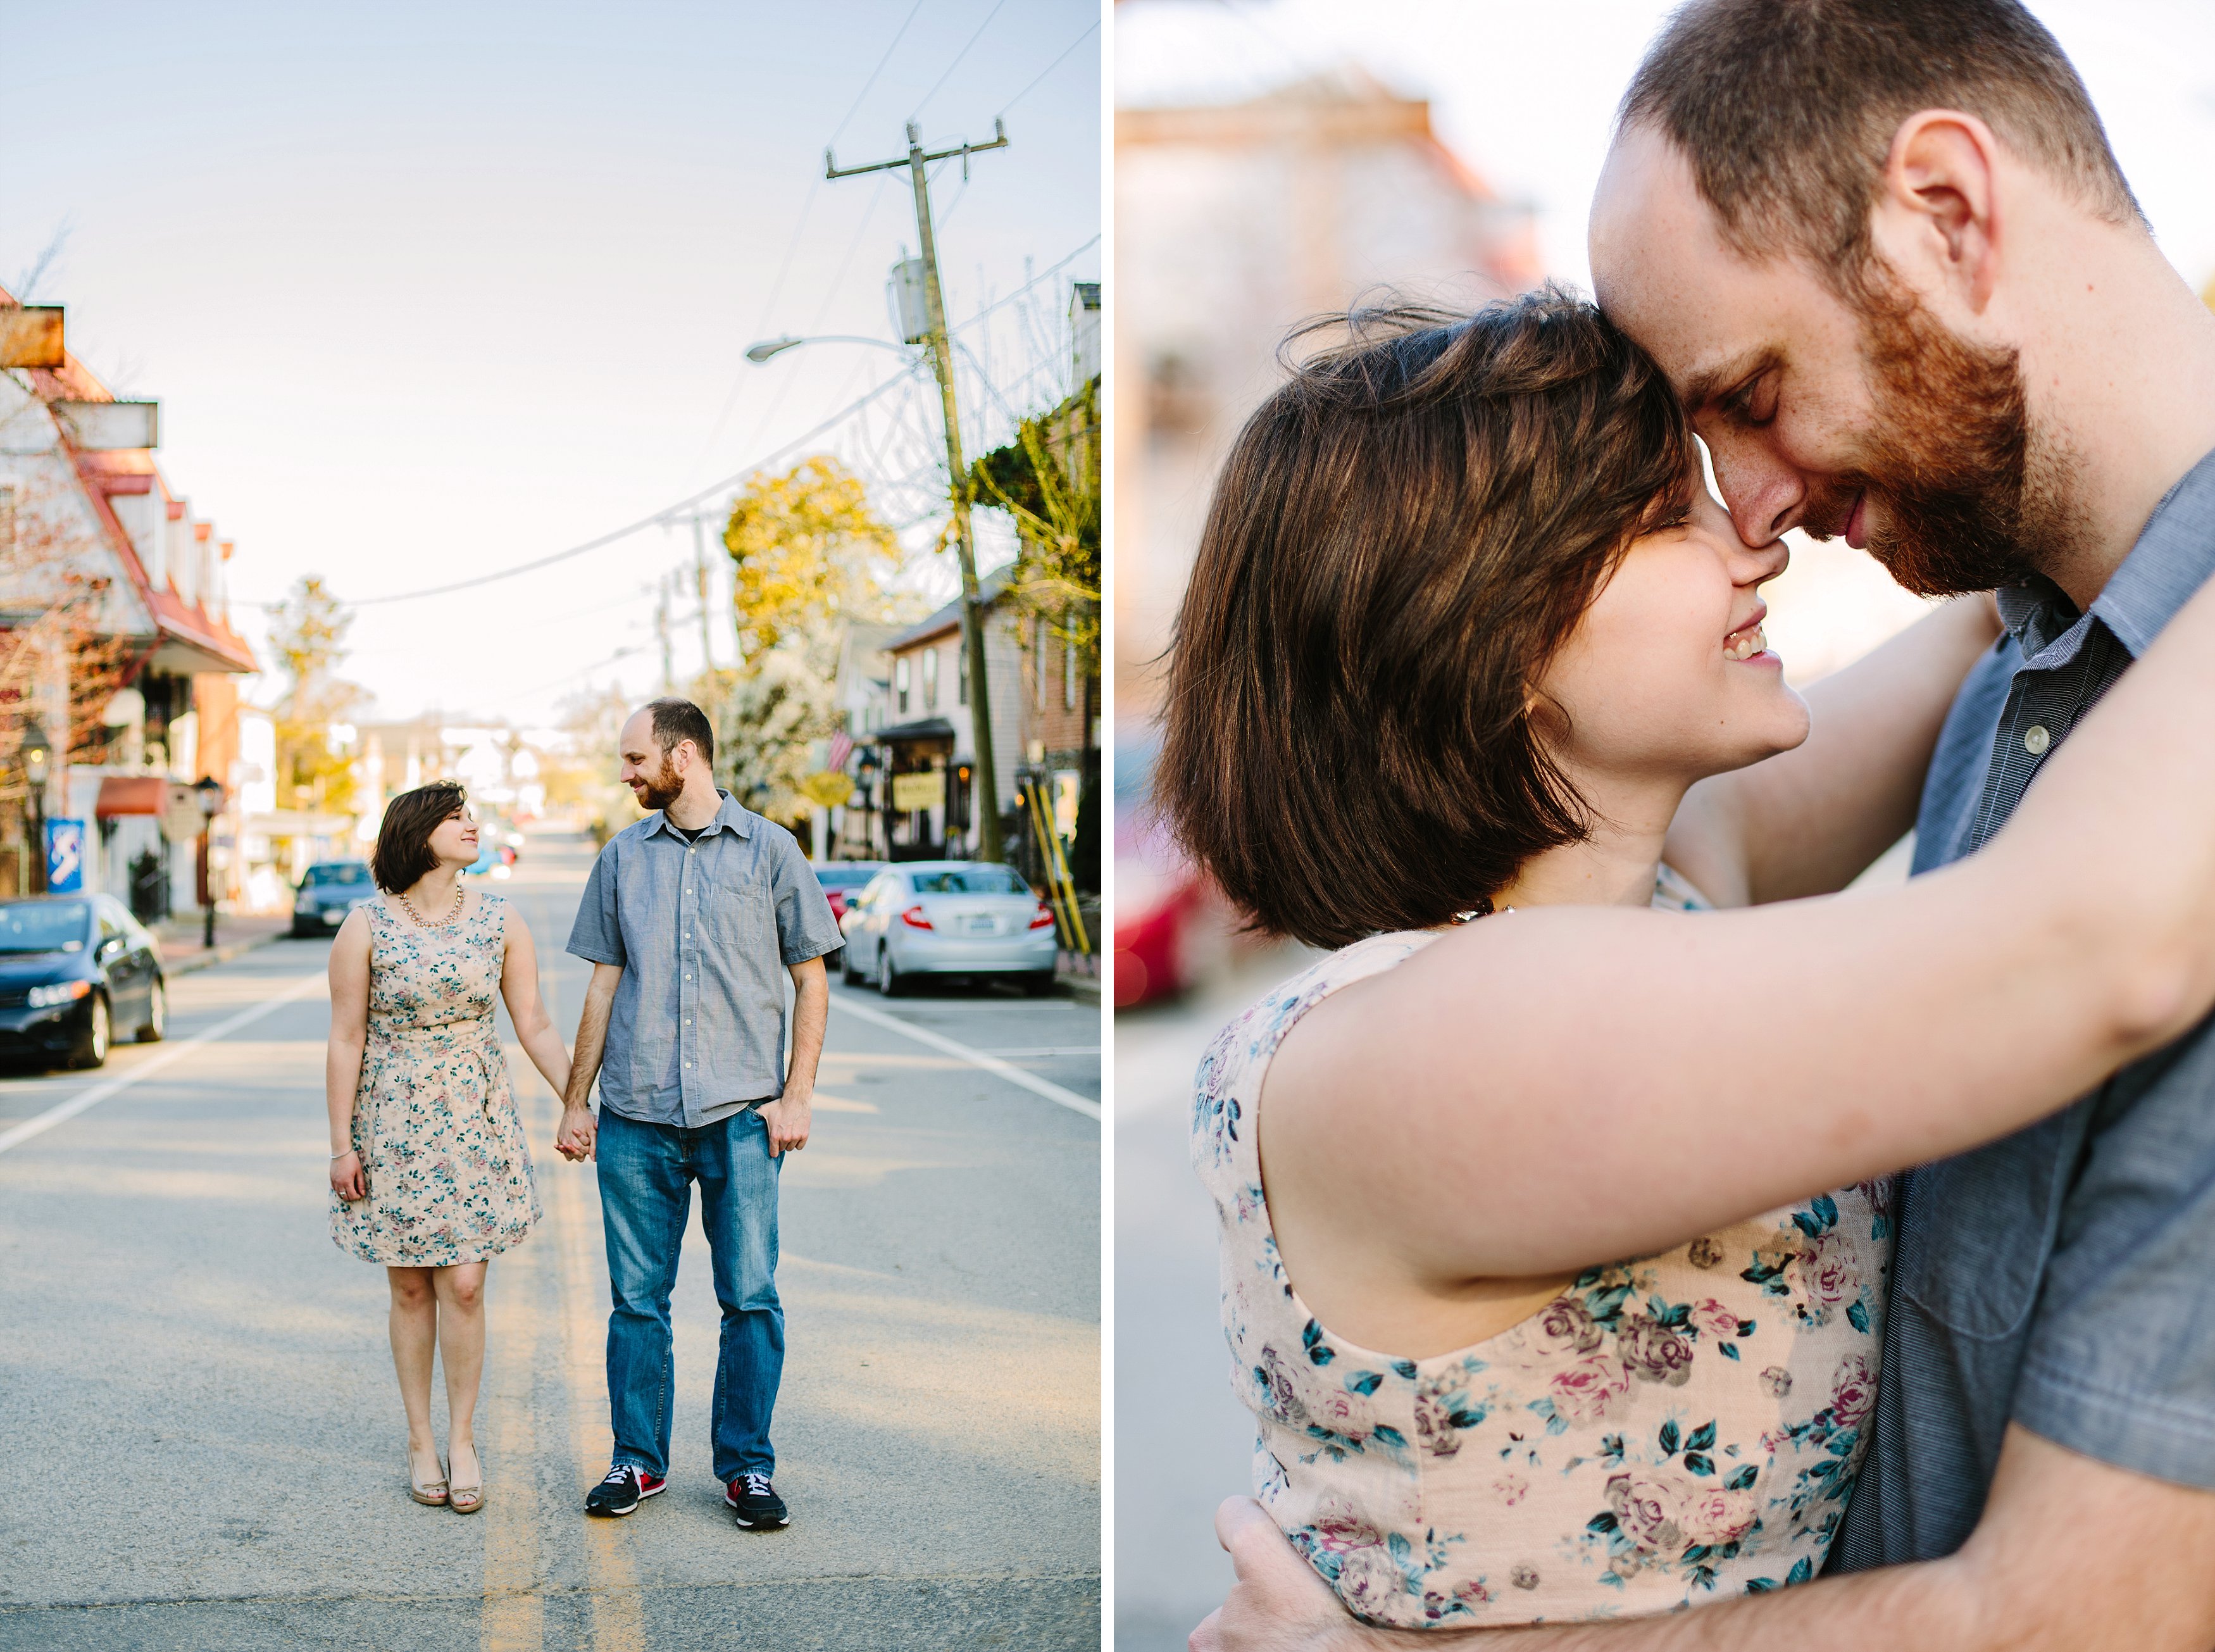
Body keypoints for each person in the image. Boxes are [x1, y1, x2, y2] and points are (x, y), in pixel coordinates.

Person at [1191, 1, 2215, 1646]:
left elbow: (2030, 587)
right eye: (1673, 505)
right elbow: (2078, 944)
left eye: (1739, 404)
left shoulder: (1660, 881)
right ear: (1502, 638)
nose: (1755, 525)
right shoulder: (1457, 1036)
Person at [556, 696, 841, 1529]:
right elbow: (603, 983)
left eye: (636, 758)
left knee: (750, 1297)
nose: (625, 772)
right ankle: (637, 1460)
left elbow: (810, 978)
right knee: (636, 1301)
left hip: (743, 1118)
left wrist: (799, 1094)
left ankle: (747, 1469)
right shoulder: (621, 857)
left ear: (684, 757)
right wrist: (577, 1100)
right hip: (637, 1118)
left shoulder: (774, 851)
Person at [327, 780, 572, 1515]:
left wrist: (576, 1097)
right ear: (416, 832)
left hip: (474, 1120)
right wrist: (341, 1145)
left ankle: (462, 1437)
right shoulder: (364, 926)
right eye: (455, 817)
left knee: (464, 1283)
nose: (472, 826)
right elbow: (345, 1039)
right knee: (408, 1287)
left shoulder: (500, 919)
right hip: (392, 1121)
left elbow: (532, 1021)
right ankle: (419, 1439)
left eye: (471, 816)